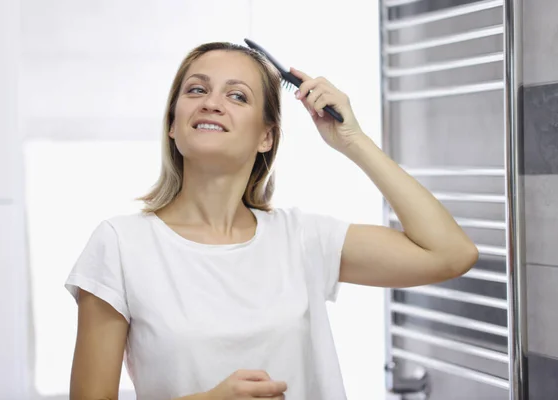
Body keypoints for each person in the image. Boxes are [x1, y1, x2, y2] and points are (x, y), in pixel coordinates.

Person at [65, 41, 478, 400]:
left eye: (238, 96)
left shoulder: (301, 239)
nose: (212, 102)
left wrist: (353, 140)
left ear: (267, 137)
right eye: (196, 90)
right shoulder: (121, 244)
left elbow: (450, 254)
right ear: (173, 124)